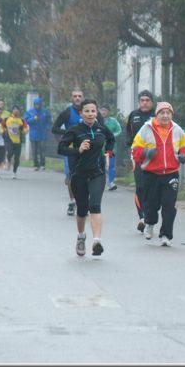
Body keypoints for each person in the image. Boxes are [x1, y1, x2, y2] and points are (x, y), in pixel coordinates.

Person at [58, 99, 115, 257]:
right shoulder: (75, 130)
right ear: (81, 113)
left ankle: (97, 241)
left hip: (97, 174)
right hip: (79, 175)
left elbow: (111, 140)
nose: (90, 114)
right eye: (87, 111)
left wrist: (108, 153)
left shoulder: (101, 129)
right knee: (82, 210)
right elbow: (61, 148)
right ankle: (81, 237)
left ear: (96, 113)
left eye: (93, 111)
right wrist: (78, 149)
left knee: (95, 205)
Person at [131, 102, 185, 246]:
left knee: (169, 205)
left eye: (168, 113)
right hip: (151, 173)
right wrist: (146, 153)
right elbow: (135, 148)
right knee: (151, 204)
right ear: (156, 115)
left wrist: (183, 155)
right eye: (161, 113)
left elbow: (184, 146)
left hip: (171, 173)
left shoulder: (177, 130)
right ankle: (149, 223)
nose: (165, 115)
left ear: (171, 115)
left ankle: (166, 235)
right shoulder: (146, 129)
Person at [53, 90, 105, 215]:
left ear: (83, 98)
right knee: (72, 176)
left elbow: (103, 129)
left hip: (92, 150)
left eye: (79, 96)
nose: (77, 98)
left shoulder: (93, 112)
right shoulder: (67, 113)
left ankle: (86, 202)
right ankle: (72, 202)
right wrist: (70, 134)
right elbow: (54, 128)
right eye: (75, 96)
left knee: (93, 175)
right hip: (74, 150)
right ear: (71, 98)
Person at [125, 90, 155, 232]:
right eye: (142, 100)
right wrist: (130, 150)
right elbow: (128, 134)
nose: (144, 102)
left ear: (152, 102)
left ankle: (151, 214)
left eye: (147, 100)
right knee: (140, 186)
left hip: (156, 157)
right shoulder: (134, 115)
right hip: (138, 156)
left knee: (153, 188)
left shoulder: (158, 115)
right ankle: (142, 218)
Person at [24, 97, 52, 171]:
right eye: (36, 104)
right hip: (33, 134)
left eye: (39, 104)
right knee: (34, 151)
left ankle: (42, 164)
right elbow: (26, 121)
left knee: (42, 150)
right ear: (34, 104)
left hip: (43, 134)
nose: (37, 106)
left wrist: (47, 127)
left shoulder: (45, 111)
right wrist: (33, 118)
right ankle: (36, 165)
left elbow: (49, 120)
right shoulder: (30, 112)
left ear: (41, 104)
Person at [2, 105, 29, 179]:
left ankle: (14, 172)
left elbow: (26, 129)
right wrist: (3, 132)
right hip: (9, 139)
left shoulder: (22, 120)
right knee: (10, 152)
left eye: (17, 110)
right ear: (12, 110)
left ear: (19, 111)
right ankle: (8, 160)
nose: (16, 111)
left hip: (18, 141)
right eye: (14, 109)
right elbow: (1, 126)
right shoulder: (7, 119)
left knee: (17, 158)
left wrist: (22, 130)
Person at [100, 104, 122, 191]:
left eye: (105, 110)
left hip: (111, 148)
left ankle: (111, 182)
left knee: (111, 165)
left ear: (109, 112)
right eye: (102, 110)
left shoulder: (114, 121)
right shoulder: (96, 121)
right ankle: (99, 182)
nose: (103, 112)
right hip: (99, 148)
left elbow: (119, 130)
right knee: (100, 165)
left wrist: (112, 136)